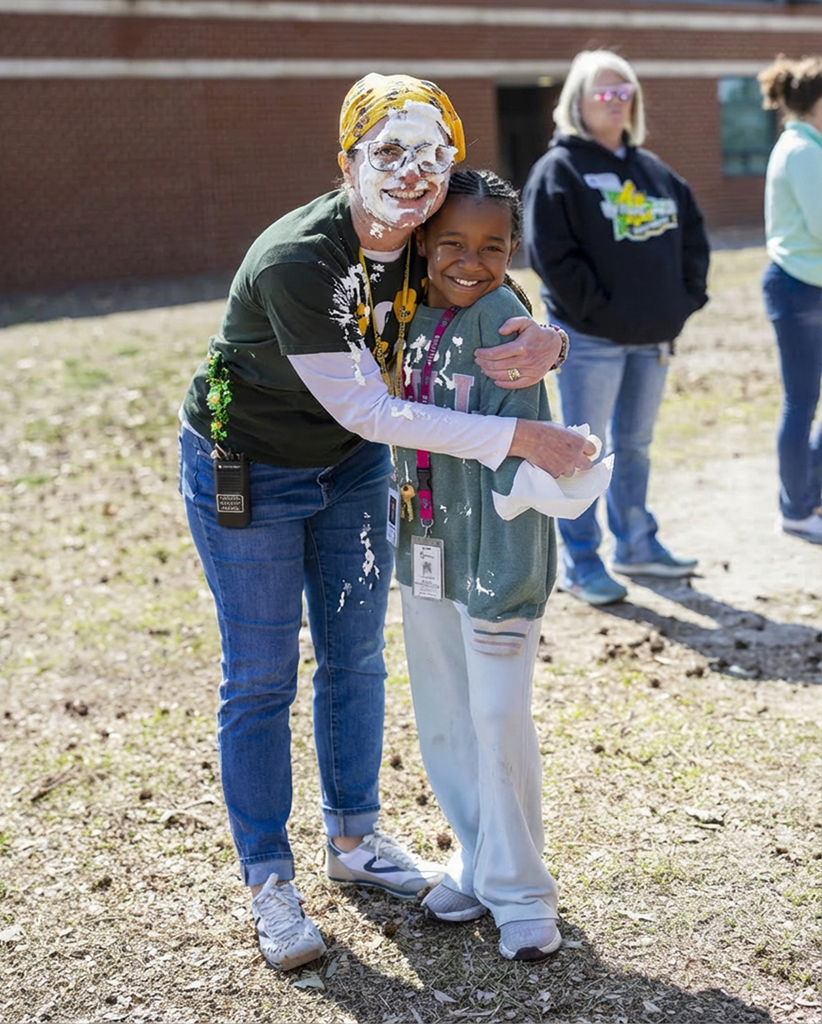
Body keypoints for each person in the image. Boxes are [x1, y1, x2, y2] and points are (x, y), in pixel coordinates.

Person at [177, 73, 594, 971]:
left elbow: (484, 278)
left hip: (351, 471)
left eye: (431, 155)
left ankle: (356, 841)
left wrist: (548, 334)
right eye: (388, 152)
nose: (411, 174)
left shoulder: (421, 235)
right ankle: (270, 881)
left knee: (358, 656)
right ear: (346, 163)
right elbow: (373, 409)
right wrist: (518, 433)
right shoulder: (304, 259)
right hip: (248, 466)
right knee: (260, 676)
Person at [394, 168, 601, 962]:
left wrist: (556, 338)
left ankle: (522, 892)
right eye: (452, 242)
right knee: (446, 717)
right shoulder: (402, 314)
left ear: (513, 249)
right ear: (422, 240)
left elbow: (523, 465)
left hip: (498, 560)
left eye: (492, 245)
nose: (471, 260)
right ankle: (477, 860)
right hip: (426, 552)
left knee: (496, 720)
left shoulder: (508, 320)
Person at [523, 49, 710, 606]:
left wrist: (682, 303)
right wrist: (603, 312)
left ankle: (638, 545)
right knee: (581, 450)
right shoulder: (558, 171)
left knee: (636, 445)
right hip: (591, 342)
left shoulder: (655, 172)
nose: (616, 101)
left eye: (625, 91)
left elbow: (694, 240)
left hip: (652, 339)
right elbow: (552, 257)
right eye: (603, 92)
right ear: (576, 103)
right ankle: (583, 562)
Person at [758, 55, 822, 545]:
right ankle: (796, 509)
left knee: (804, 402)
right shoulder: (803, 150)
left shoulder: (807, 145)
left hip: (807, 286)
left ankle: (808, 494)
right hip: (802, 287)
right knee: (801, 402)